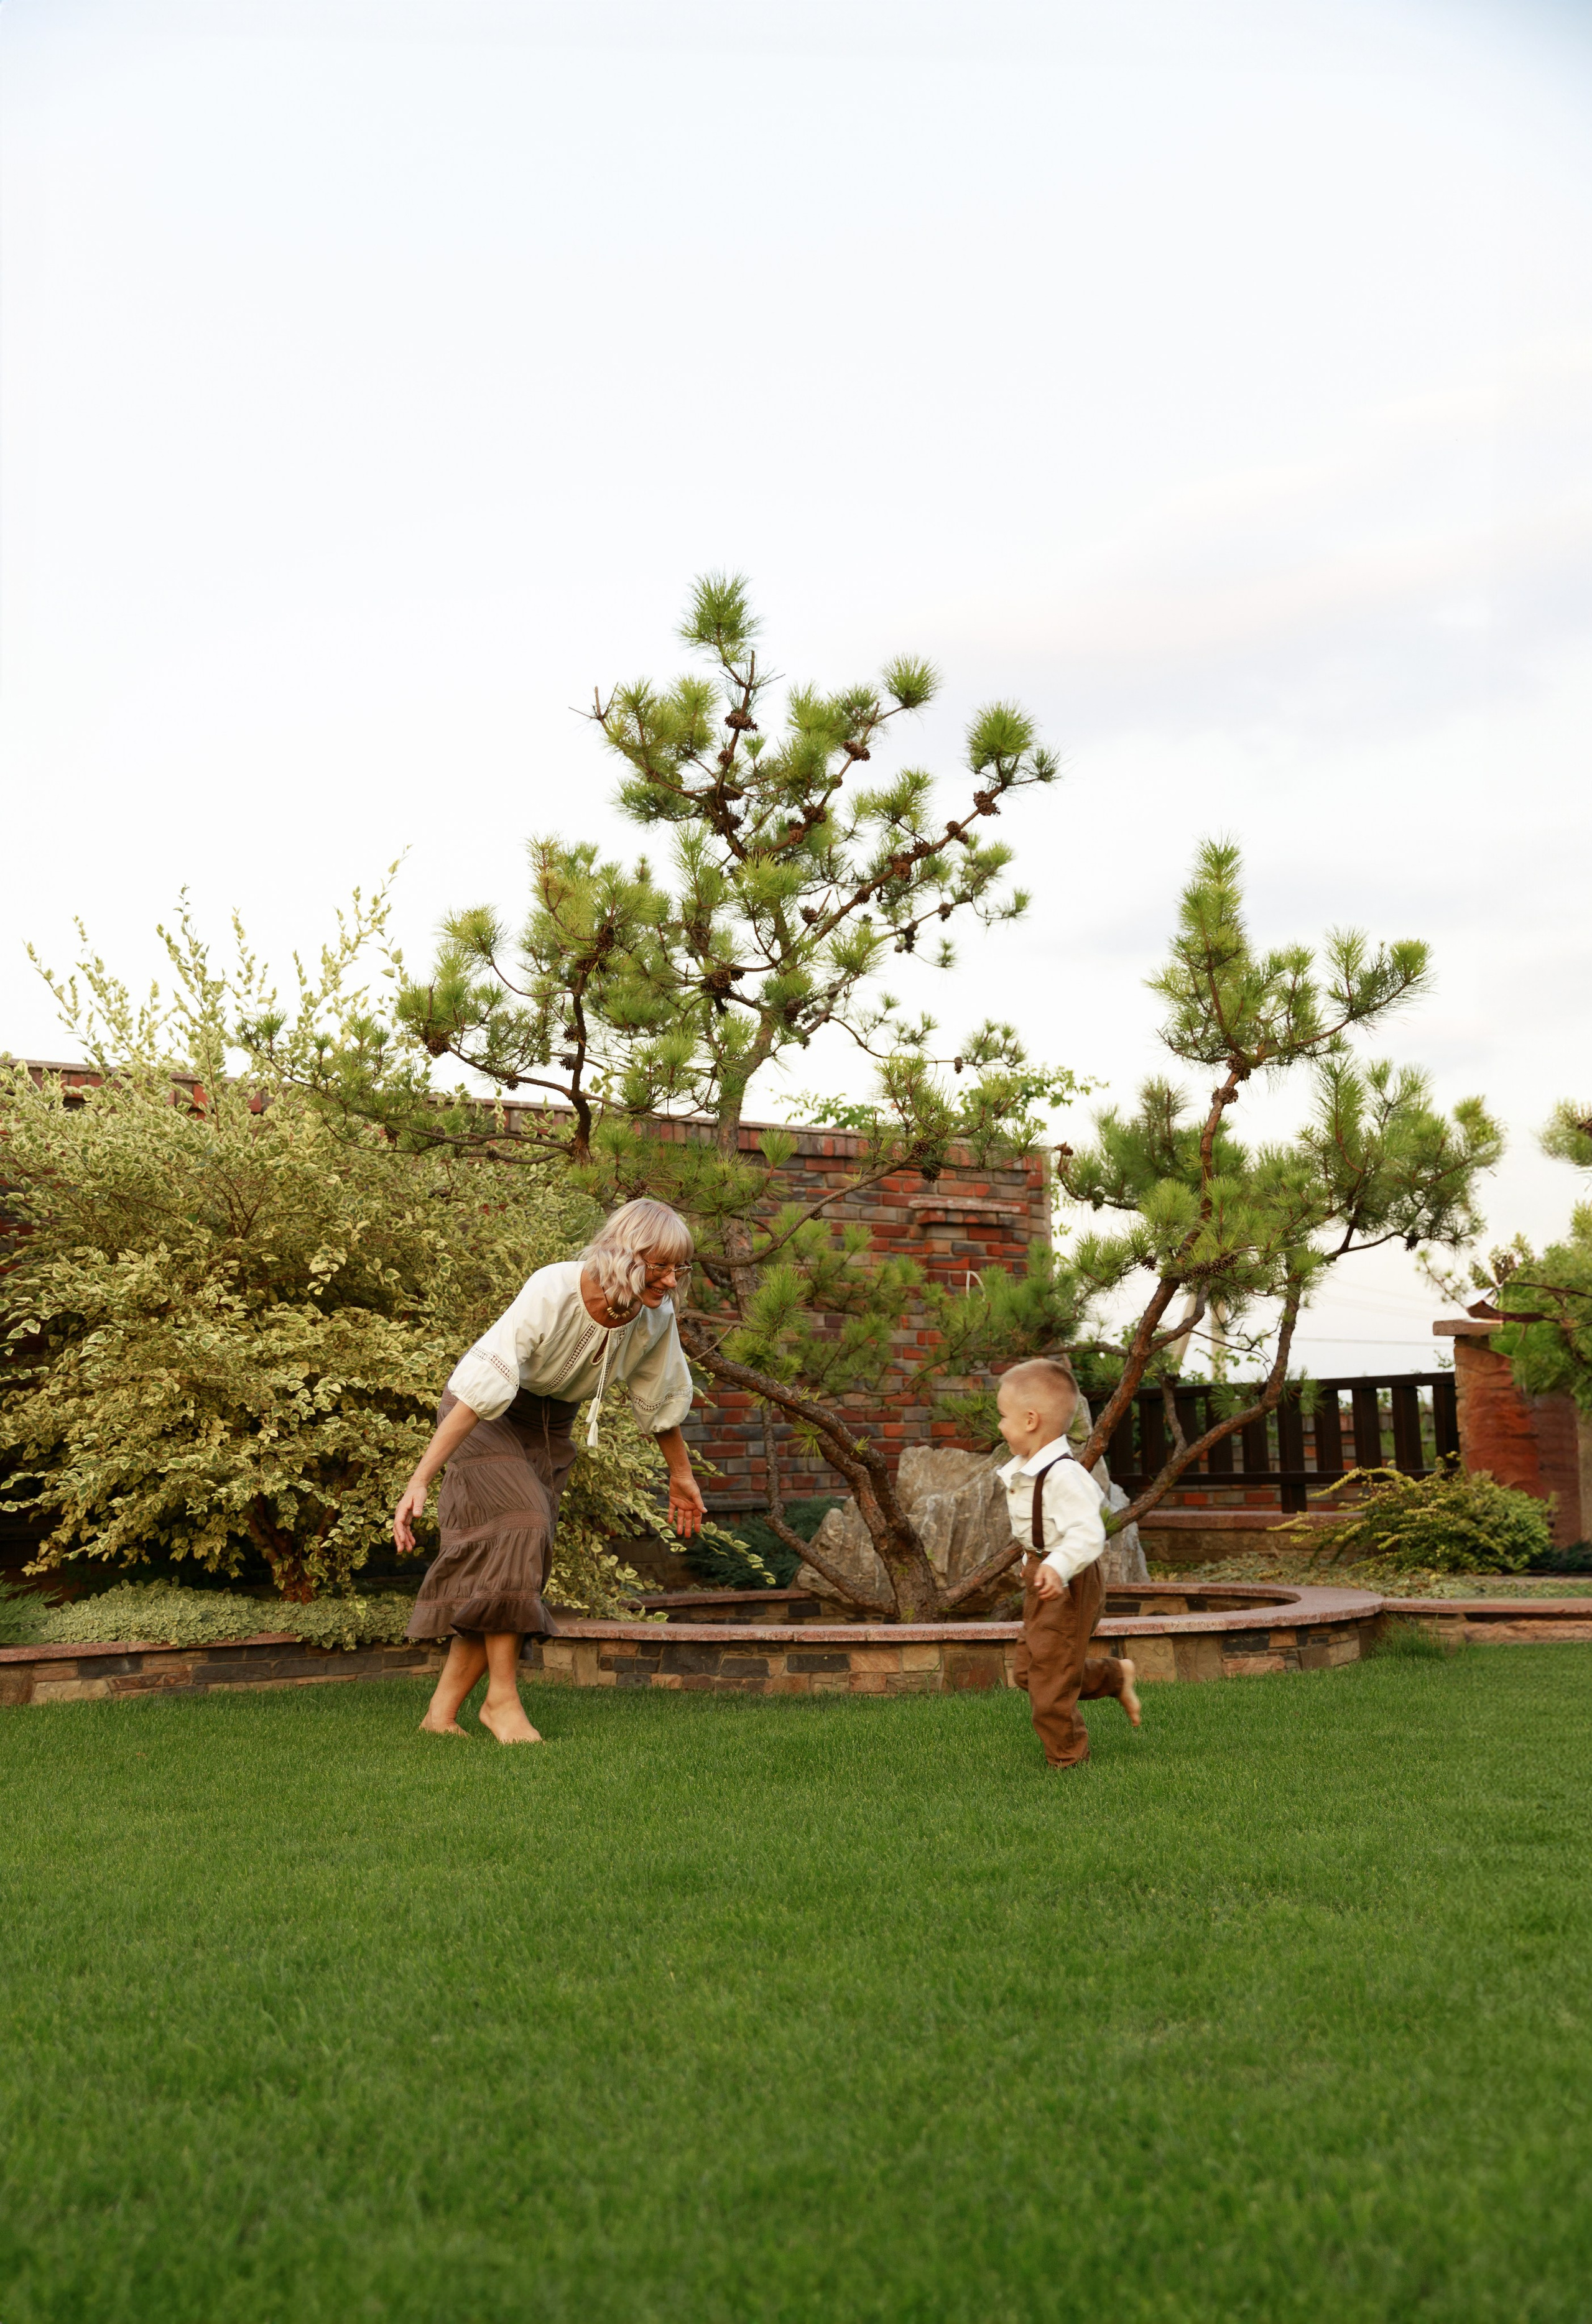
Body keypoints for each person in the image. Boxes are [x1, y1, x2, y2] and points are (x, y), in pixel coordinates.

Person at [394, 1198, 706, 1744]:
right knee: (523, 1528)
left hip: (549, 1428)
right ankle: (502, 1703)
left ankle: (439, 1716)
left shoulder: (654, 1317)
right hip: (485, 1415)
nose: (671, 1282)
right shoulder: (554, 1287)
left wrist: (681, 1476)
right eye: (660, 1267)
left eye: (679, 1268)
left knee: (510, 1564)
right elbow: (479, 1387)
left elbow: (661, 1398)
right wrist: (421, 1477)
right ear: (625, 1253)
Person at [996, 1357, 1142, 1770]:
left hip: (1070, 1581)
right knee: (1028, 1672)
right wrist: (1033, 1562)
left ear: (1030, 1420)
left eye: (1003, 1417)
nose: (1000, 1425)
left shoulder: (1064, 1475)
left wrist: (1057, 1565)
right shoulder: (1029, 1469)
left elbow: (1088, 1533)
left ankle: (1068, 1761)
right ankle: (1113, 1677)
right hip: (1043, 1577)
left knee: (1048, 1684)